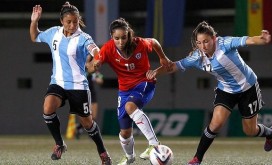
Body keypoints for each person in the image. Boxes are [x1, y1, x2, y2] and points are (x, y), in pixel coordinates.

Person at [146, 21, 272, 165]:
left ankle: (270, 134)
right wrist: (155, 72)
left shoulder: (225, 44)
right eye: (199, 43)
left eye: (206, 41)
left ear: (214, 38)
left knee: (250, 131)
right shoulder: (197, 57)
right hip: (226, 90)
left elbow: (249, 40)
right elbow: (172, 67)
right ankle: (197, 159)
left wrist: (262, 39)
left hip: (248, 88)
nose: (203, 46)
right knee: (215, 124)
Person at [30, 2, 111, 164]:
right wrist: (34, 22)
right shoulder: (53, 33)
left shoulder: (84, 37)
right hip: (58, 82)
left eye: (75, 21)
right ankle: (60, 144)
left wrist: (96, 60)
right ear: (62, 21)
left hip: (78, 85)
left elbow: (96, 52)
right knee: (47, 108)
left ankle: (103, 152)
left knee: (87, 123)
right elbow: (34, 37)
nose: (72, 25)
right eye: (69, 22)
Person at [86, 17, 172, 165]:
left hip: (145, 82)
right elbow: (92, 67)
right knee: (125, 132)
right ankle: (130, 157)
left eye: (124, 37)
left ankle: (154, 144)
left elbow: (155, 42)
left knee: (130, 107)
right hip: (124, 90)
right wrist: (95, 65)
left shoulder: (139, 43)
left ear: (129, 35)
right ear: (111, 37)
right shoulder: (107, 49)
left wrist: (162, 58)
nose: (120, 42)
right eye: (117, 38)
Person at [76, 60, 104, 139]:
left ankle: (80, 128)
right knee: (86, 115)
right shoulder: (80, 66)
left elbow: (100, 79)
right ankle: (83, 129)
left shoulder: (93, 68)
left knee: (94, 115)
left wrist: (97, 79)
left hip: (92, 93)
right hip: (83, 93)